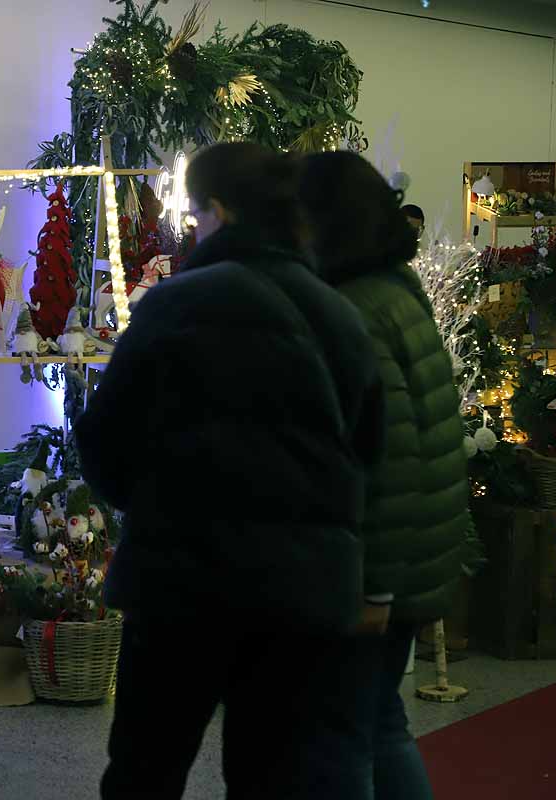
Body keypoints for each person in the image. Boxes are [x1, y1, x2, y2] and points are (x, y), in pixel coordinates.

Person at [76, 142, 388, 799]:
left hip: (179, 585)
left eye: (193, 214)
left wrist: (157, 504)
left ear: (218, 212)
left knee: (145, 769)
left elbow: (104, 438)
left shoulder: (173, 306)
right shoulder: (340, 317)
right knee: (271, 775)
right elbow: (367, 455)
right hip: (300, 595)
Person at [299, 152, 469, 800]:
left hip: (373, 570)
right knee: (379, 723)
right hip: (406, 557)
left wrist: (369, 590)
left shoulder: (355, 309)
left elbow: (381, 452)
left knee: (346, 738)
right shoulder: (394, 288)